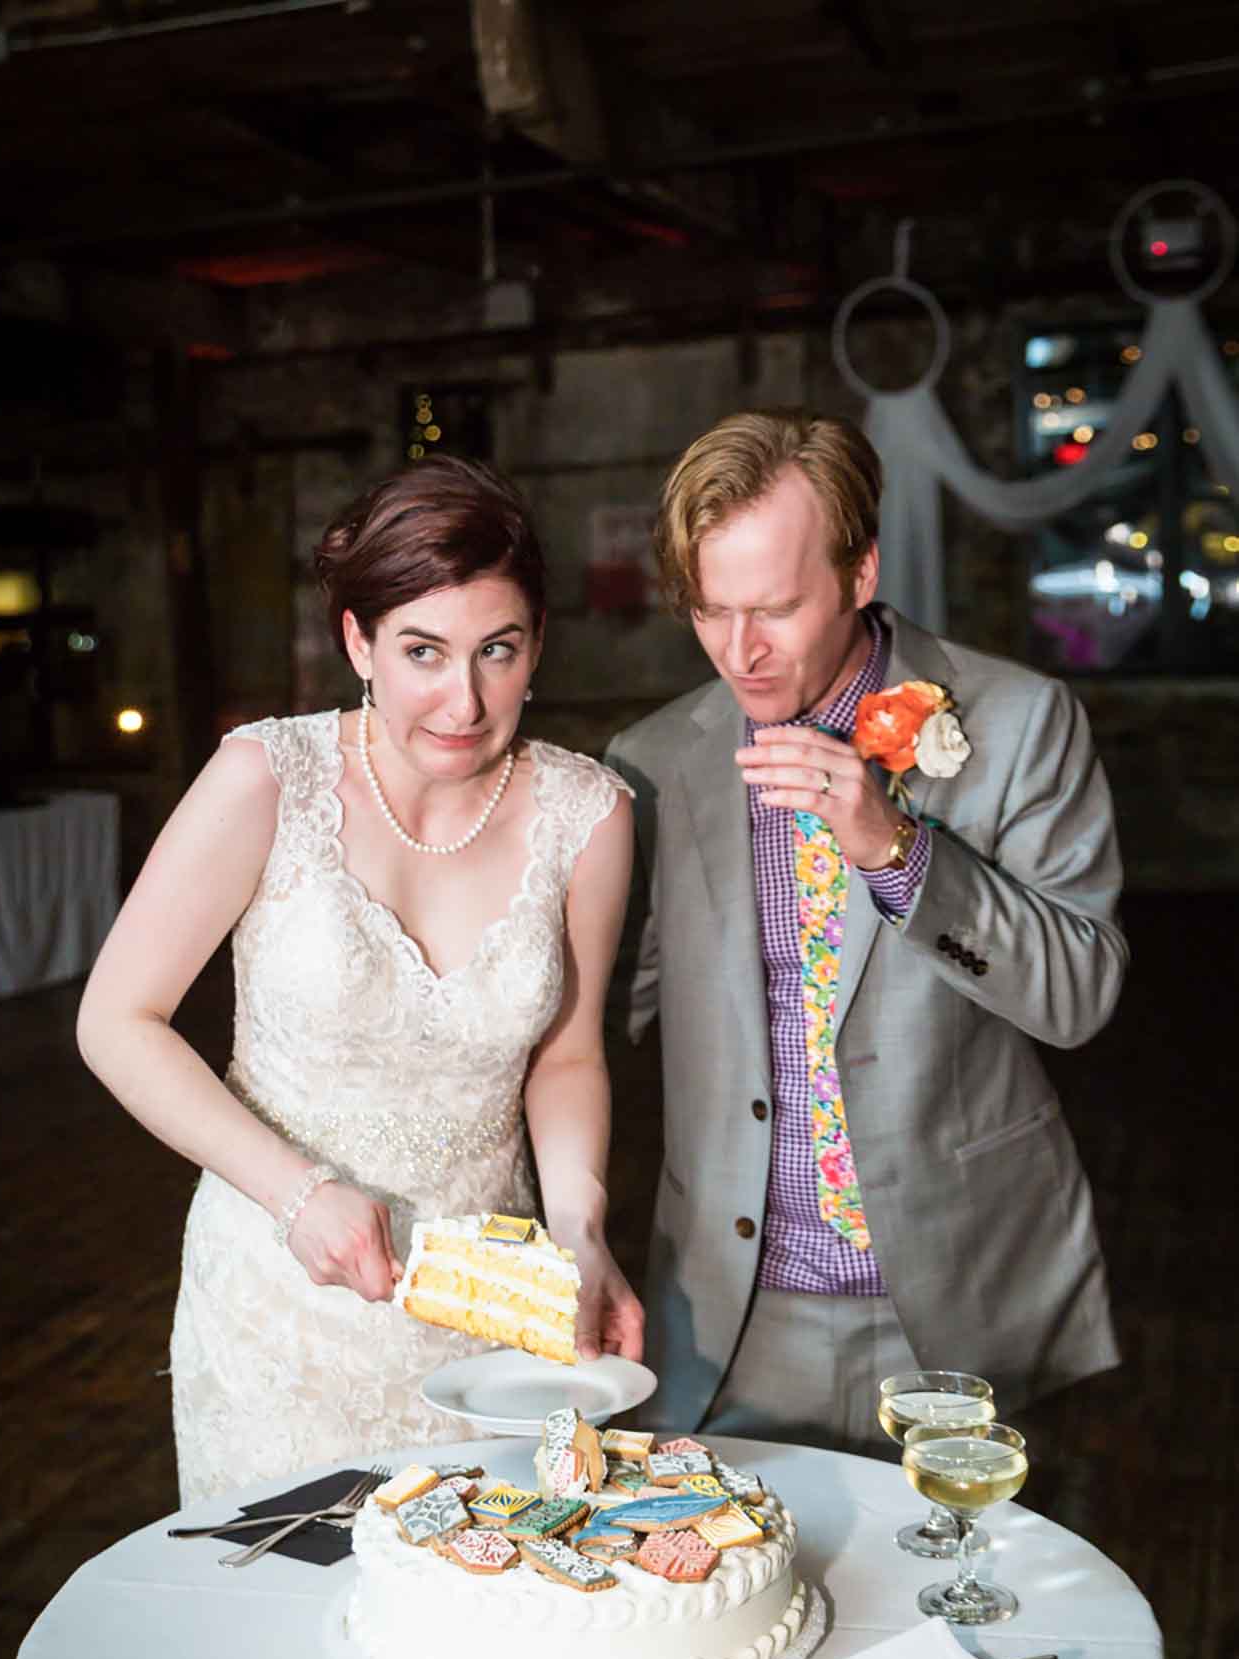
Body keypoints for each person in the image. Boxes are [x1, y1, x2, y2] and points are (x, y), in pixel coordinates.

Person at [78, 454, 644, 1502]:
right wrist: (294, 1192)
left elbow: (565, 1054)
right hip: (276, 1311)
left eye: (497, 651)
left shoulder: (589, 816)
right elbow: (118, 1019)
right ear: (359, 643)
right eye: (422, 650)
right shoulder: (265, 777)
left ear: (536, 650)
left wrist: (579, 1223)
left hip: (492, 1322)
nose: (462, 700)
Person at [604, 407, 1126, 1449]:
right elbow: (600, 1014)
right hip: (730, 1319)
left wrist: (896, 849)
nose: (739, 651)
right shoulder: (652, 761)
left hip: (957, 1300)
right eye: (709, 612)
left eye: (775, 607)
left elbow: (1078, 995)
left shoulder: (1018, 722)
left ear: (859, 571)